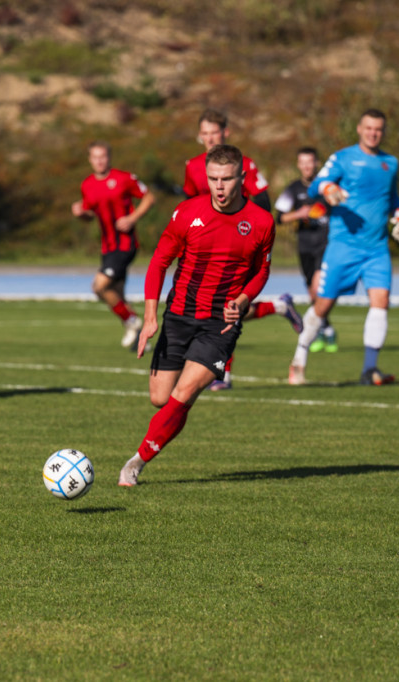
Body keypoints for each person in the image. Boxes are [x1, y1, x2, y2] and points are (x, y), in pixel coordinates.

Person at [119, 145, 276, 487]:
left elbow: (261, 272)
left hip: (220, 325)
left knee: (184, 393)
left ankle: (135, 463)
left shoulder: (262, 222)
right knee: (160, 398)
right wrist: (149, 316)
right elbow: (159, 262)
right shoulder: (187, 213)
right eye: (213, 179)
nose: (219, 187)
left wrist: (245, 298)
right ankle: (166, 424)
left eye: (227, 179)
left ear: (242, 178)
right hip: (178, 315)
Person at [183, 108, 301, 390]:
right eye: (206, 134)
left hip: (238, 246)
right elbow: (189, 206)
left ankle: (222, 373)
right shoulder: (192, 166)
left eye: (216, 133)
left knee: (227, 307)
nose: (211, 138)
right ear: (200, 136)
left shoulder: (244, 164)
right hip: (205, 248)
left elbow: (263, 202)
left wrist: (248, 233)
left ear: (226, 133)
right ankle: (279, 306)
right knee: (216, 309)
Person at [288, 108, 399, 387]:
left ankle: (369, 369)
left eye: (378, 129)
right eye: (369, 128)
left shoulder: (391, 163)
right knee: (323, 305)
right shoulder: (343, 157)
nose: (373, 133)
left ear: (383, 131)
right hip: (343, 248)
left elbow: (392, 198)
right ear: (359, 129)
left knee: (381, 303)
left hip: (377, 249)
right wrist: (329, 189)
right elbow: (317, 185)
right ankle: (299, 358)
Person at [70, 141, 155, 350]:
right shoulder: (87, 184)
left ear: (109, 157)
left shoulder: (124, 178)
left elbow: (149, 197)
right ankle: (140, 339)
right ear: (90, 160)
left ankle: (132, 320)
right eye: (95, 157)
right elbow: (90, 215)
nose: (99, 161)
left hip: (125, 244)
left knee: (99, 286)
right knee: (117, 294)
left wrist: (133, 218)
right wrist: (81, 214)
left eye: (103, 156)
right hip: (107, 247)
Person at [274, 147, 336, 353]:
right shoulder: (293, 189)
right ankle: (327, 328)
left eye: (311, 162)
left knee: (319, 288)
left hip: (326, 244)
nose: (307, 166)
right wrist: (298, 214)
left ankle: (318, 332)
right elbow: (279, 217)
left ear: (317, 163)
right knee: (312, 293)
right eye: (303, 162)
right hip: (305, 245)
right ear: (299, 165)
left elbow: (340, 207)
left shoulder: (326, 187)